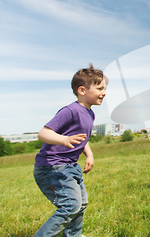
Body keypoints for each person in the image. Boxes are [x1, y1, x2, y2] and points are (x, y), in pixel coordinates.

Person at [33, 64, 107, 237]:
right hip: (52, 167)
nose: (104, 92)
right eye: (100, 88)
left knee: (80, 205)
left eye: (104, 88)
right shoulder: (70, 111)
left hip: (70, 166)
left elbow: (82, 137)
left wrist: (89, 153)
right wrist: (63, 139)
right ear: (82, 90)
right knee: (70, 206)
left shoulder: (89, 113)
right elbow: (43, 133)